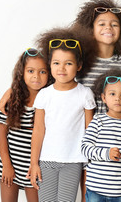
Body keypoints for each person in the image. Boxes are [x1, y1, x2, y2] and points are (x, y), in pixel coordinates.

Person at [29, 33, 96, 202]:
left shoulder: (85, 94)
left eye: (68, 63)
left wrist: (90, 162)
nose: (62, 68)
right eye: (56, 63)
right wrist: (34, 163)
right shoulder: (44, 95)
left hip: (73, 160)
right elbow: (38, 130)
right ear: (50, 65)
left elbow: (90, 130)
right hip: (46, 160)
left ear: (79, 65)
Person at [0, 48, 49, 202]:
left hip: (35, 167)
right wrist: (7, 165)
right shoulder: (11, 99)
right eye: (31, 71)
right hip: (10, 162)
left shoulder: (50, 101)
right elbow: (1, 134)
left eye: (42, 71)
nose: (36, 76)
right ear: (22, 73)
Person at [81, 69, 121, 202]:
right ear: (104, 98)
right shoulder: (98, 120)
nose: (117, 98)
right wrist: (107, 154)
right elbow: (85, 148)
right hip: (95, 189)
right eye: (112, 93)